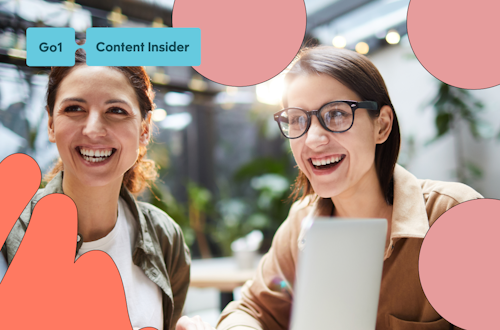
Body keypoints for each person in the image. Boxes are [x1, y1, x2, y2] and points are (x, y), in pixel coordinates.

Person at [216, 46, 482, 330]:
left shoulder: (452, 214)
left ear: (381, 126)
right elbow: (252, 309)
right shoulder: (301, 222)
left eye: (336, 114)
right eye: (297, 119)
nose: (313, 139)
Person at [1, 49, 193, 330]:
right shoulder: (9, 230)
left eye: (116, 110)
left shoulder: (165, 238)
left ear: (144, 129)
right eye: (74, 108)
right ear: (51, 123)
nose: (93, 129)